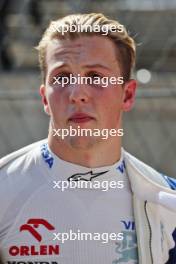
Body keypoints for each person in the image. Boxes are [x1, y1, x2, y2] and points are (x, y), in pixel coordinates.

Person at [0, 13, 176, 264]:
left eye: (95, 77)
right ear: (44, 98)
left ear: (127, 95)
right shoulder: (3, 190)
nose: (77, 93)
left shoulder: (168, 202)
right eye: (62, 78)